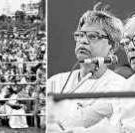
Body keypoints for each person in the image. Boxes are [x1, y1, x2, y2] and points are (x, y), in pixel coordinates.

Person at [46, 3, 126, 132]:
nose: (83, 40)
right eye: (80, 35)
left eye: (93, 36)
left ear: (113, 46)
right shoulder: (55, 81)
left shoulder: (119, 87)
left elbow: (81, 121)